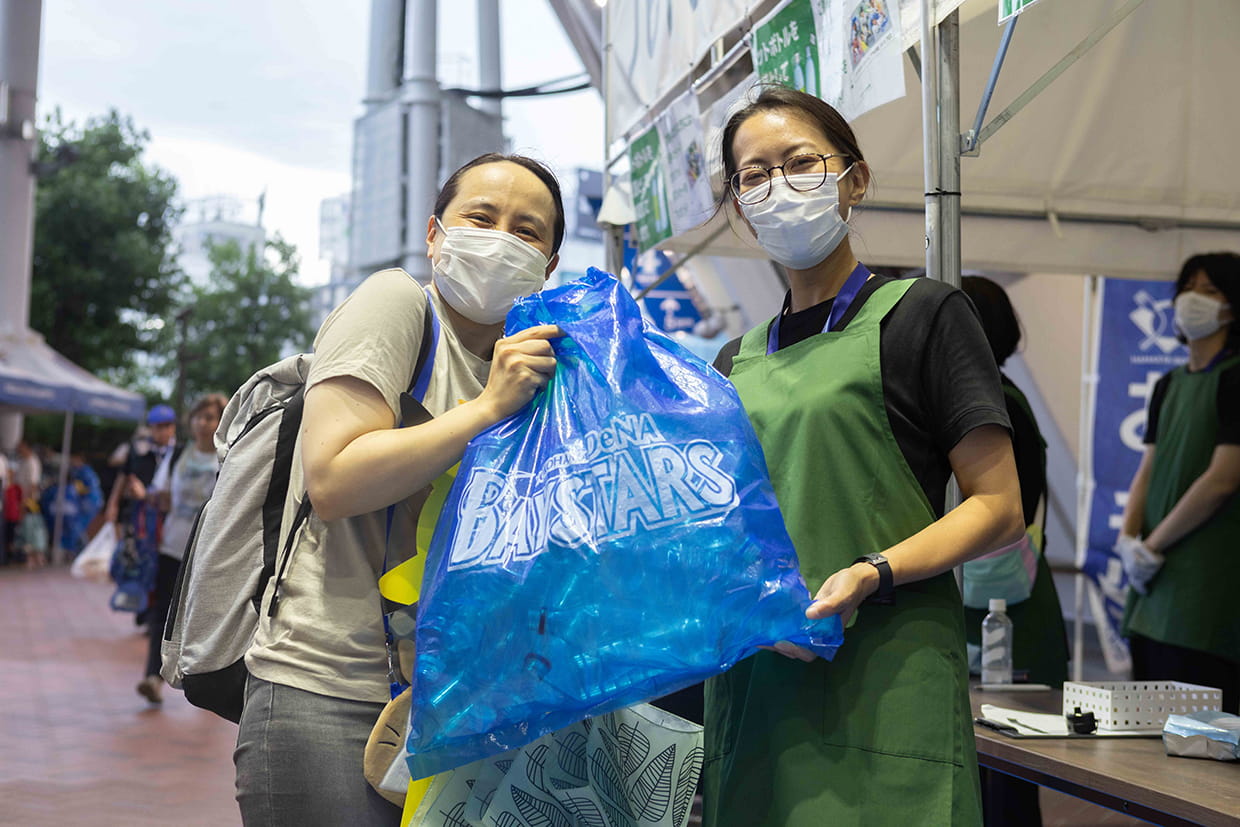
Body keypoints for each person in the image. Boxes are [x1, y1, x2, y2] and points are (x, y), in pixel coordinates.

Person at [704, 86, 1023, 826]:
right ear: (741, 210)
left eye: (800, 163)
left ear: (854, 178)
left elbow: (998, 505)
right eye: (754, 176)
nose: (777, 187)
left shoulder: (925, 315)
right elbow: (717, 531)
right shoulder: (731, 361)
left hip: (888, 678)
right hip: (760, 686)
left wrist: (871, 571)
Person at [233, 153, 565, 827]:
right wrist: (486, 408)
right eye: (482, 216)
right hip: (330, 693)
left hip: (449, 705)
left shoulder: (536, 364)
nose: (502, 238)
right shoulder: (396, 305)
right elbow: (332, 478)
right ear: (436, 235)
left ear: (550, 264)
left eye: (528, 230)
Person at [961, 275, 1070, 827]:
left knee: (1004, 788)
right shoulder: (1007, 395)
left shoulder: (991, 404)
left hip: (1007, 610)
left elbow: (1007, 514)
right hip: (1002, 600)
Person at [1118, 252, 1240, 712]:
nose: (1193, 300)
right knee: (1146, 727)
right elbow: (1148, 467)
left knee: (1203, 733)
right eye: (1188, 288)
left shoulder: (1233, 379)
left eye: (1210, 291)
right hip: (1154, 588)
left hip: (1206, 583)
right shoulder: (1168, 383)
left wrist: (1155, 545)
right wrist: (1130, 538)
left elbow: (1222, 480)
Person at [136, 393, 226, 705]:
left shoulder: (228, 456)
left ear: (221, 422)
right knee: (161, 613)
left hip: (208, 552)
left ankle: (208, 684)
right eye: (199, 417)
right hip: (172, 545)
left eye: (210, 417)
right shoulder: (177, 456)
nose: (203, 423)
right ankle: (152, 677)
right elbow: (162, 496)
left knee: (204, 619)